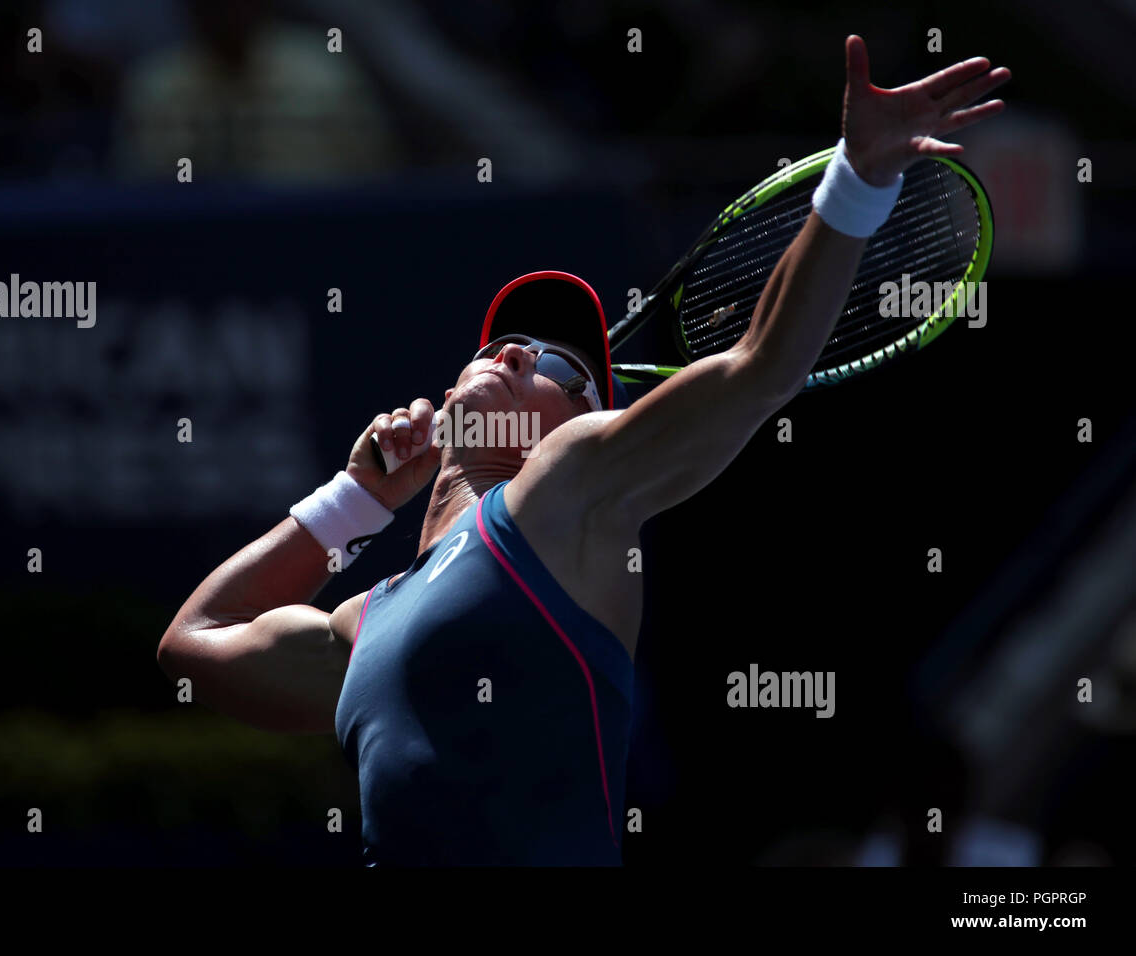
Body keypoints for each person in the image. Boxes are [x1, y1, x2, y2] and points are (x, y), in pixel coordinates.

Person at [157, 36, 1010, 865]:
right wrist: (356, 497)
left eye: (559, 366)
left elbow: (761, 365)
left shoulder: (568, 495)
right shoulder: (361, 624)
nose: (515, 354)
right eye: (499, 348)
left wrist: (857, 180)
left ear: (579, 424)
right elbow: (194, 647)